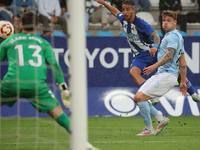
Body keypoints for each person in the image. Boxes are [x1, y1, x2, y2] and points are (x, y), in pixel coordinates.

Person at [0, 12, 99, 150]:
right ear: (38, 26)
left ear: (21, 25)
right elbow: (55, 66)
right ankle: (84, 144)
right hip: (37, 85)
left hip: (11, 83)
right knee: (60, 115)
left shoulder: (9, 41)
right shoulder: (43, 43)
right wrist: (64, 89)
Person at [95, 0, 200, 106]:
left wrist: (155, 46)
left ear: (133, 10)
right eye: (123, 10)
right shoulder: (123, 18)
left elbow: (156, 36)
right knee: (133, 72)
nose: (125, 12)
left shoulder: (141, 23)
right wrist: (104, 3)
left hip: (152, 52)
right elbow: (115, 11)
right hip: (140, 56)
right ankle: (151, 96)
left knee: (174, 71)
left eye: (127, 9)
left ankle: (193, 94)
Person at [133, 9, 188, 135]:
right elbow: (183, 60)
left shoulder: (173, 36)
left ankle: (149, 129)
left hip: (167, 75)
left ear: (175, 22)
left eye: (169, 20)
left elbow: (169, 55)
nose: (165, 23)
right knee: (136, 98)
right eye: (164, 20)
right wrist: (183, 81)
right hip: (163, 74)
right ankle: (160, 119)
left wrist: (154, 66)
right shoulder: (175, 36)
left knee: (140, 98)